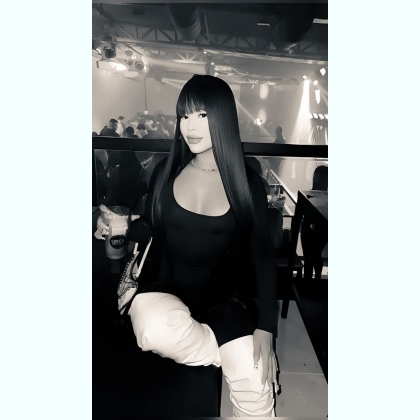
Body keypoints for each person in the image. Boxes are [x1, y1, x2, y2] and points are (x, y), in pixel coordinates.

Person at [96, 75, 279, 417]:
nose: (189, 126)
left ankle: (233, 360)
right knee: (153, 329)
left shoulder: (247, 184)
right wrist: (118, 226)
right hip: (165, 289)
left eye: (202, 115)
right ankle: (228, 356)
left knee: (256, 392)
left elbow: (263, 256)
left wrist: (266, 326)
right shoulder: (165, 171)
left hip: (224, 300)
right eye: (184, 115)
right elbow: (153, 230)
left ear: (223, 118)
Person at [301, 165, 328, 280]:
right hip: (322, 229)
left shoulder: (306, 195)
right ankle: (317, 281)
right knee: (317, 255)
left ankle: (308, 282)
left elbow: (300, 215)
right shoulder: (327, 198)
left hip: (307, 229)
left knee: (308, 258)